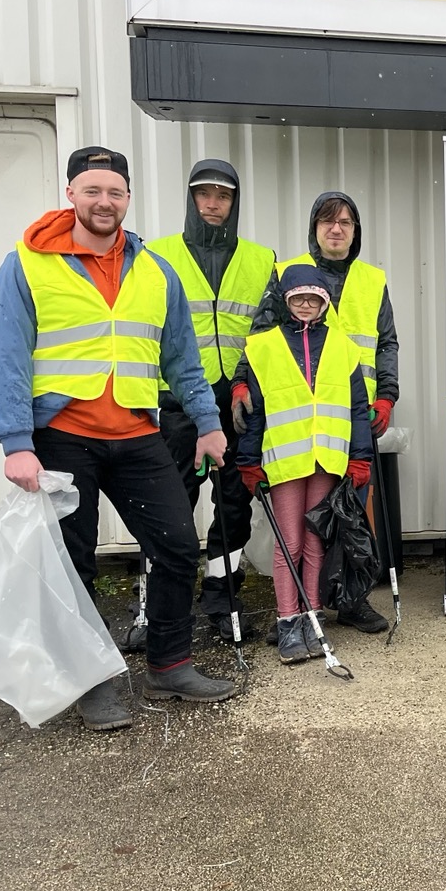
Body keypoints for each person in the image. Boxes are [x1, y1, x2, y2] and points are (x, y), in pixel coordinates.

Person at [0, 145, 238, 729]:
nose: (104, 202)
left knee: (176, 546)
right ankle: (90, 682)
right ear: (70, 192)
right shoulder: (27, 263)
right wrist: (15, 441)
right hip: (61, 436)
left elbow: (183, 358)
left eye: (115, 192)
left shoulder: (154, 270)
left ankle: (169, 664)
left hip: (136, 430)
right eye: (92, 190)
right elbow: (6, 358)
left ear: (128, 198)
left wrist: (207, 423)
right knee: (74, 566)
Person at [236, 191, 397, 633]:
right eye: (328, 221)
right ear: (315, 227)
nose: (337, 229)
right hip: (297, 418)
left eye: (346, 222)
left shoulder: (372, 279)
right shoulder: (288, 274)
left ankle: (350, 600)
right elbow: (260, 338)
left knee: (348, 514)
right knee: (303, 525)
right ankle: (298, 609)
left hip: (353, 417)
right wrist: (239, 384)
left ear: (355, 230)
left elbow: (386, 343)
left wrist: (388, 395)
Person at [143, 160, 275, 644]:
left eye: (223, 195)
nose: (213, 203)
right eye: (204, 194)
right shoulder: (156, 255)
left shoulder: (263, 259)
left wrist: (249, 385)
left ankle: (223, 595)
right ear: (191, 198)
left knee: (235, 501)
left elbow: (266, 331)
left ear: (235, 201)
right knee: (172, 501)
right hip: (177, 400)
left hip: (237, 402)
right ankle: (159, 604)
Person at [234, 265, 374, 663]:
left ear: (325, 302)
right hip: (285, 460)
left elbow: (358, 408)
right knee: (288, 543)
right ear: (285, 300)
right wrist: (247, 460)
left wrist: (359, 457)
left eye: (315, 298)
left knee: (316, 541)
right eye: (299, 298)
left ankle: (313, 618)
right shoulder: (262, 347)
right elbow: (255, 410)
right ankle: (287, 622)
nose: (307, 304)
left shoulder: (344, 347)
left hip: (327, 459)